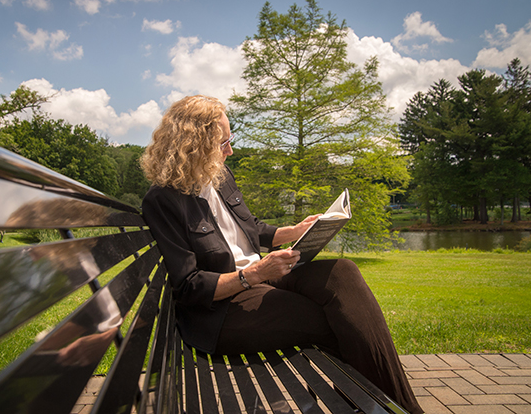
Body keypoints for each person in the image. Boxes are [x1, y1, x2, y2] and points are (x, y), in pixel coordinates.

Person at [140, 95, 423, 414]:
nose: (229, 151)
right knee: (339, 320)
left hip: (262, 282)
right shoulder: (163, 200)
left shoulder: (219, 176)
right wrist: (256, 273)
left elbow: (250, 227)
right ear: (195, 144)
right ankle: (395, 408)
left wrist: (294, 231)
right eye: (223, 143)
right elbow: (190, 286)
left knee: (342, 271)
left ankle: (377, 407)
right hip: (222, 311)